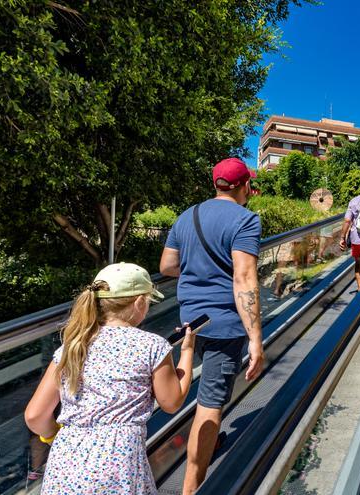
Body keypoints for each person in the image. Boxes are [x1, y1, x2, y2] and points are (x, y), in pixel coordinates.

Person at [25, 262, 195, 495]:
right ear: (139, 302)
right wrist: (187, 351)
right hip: (118, 462)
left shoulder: (73, 346)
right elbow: (172, 402)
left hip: (66, 459)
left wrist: (52, 435)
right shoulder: (152, 345)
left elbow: (34, 415)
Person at [159, 157, 264, 493]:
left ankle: (205, 445)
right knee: (211, 404)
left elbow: (167, 265)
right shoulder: (246, 220)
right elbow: (244, 278)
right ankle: (191, 488)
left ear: (216, 183)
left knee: (194, 383)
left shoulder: (187, 215)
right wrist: (256, 339)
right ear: (244, 185)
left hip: (190, 320)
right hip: (224, 326)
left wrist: (198, 270)